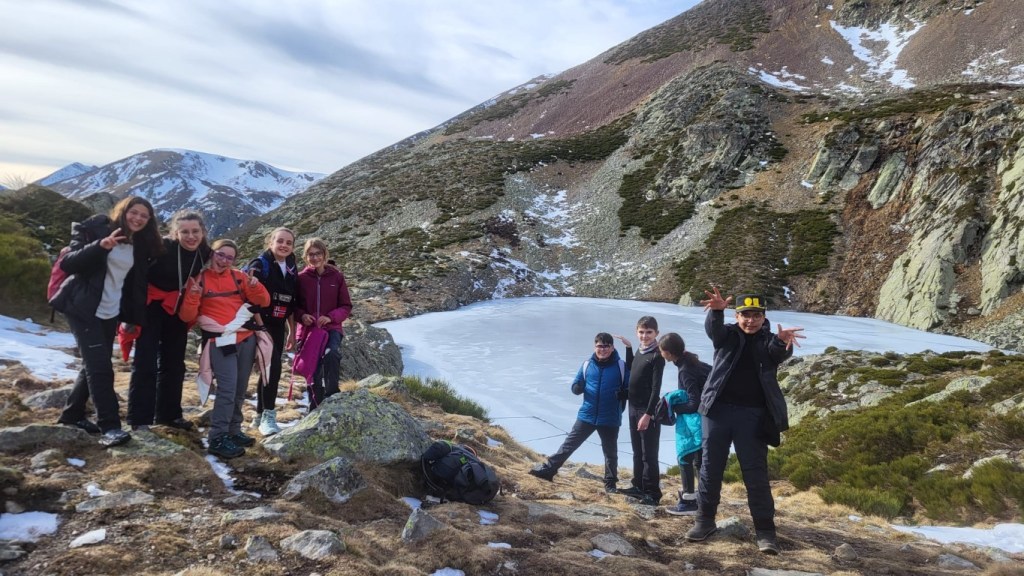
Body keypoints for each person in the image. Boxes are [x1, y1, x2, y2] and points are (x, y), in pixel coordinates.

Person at [686, 289, 804, 555]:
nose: (750, 320)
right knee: (710, 469)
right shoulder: (727, 335)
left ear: (764, 317)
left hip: (753, 417)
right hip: (717, 412)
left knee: (755, 474)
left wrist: (782, 342)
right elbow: (714, 331)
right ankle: (704, 522)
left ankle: (765, 532)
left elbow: (777, 353)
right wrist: (717, 312)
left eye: (756, 315)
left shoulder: (770, 340)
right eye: (745, 315)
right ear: (737, 316)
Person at [55, 196, 164, 447]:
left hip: (109, 311)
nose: (137, 218)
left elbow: (136, 283)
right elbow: (69, 263)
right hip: (83, 309)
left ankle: (71, 415)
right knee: (101, 368)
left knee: (94, 365)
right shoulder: (97, 228)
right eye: (133, 212)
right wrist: (100, 246)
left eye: (144, 215)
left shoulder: (139, 243)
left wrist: (133, 318)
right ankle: (110, 426)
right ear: (123, 211)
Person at [179, 239, 270, 459]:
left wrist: (255, 286)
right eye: (220, 254)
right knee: (227, 389)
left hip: (246, 339)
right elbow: (187, 316)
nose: (224, 260)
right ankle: (217, 437)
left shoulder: (239, 277)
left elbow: (264, 301)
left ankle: (233, 430)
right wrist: (192, 295)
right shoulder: (199, 280)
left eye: (230, 257)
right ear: (212, 254)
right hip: (220, 342)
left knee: (240, 388)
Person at [126, 210, 210, 431]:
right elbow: (136, 273)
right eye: (184, 232)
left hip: (176, 308)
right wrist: (131, 313)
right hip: (150, 306)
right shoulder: (160, 247)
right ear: (175, 233)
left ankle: (169, 415)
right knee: (145, 362)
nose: (191, 236)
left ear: (203, 232)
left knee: (174, 364)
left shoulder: (204, 252)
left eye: (195, 231)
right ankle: (139, 418)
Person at [528, 332, 629, 492]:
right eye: (599, 346)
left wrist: (625, 394)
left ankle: (610, 484)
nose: (602, 349)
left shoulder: (621, 366)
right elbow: (576, 384)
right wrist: (576, 388)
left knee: (610, 453)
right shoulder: (587, 365)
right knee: (569, 445)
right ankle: (549, 470)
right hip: (587, 415)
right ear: (594, 347)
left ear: (612, 347)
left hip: (610, 417)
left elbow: (630, 388)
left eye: (606, 346)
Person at [245, 227, 298, 436]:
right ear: (271, 243)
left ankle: (258, 417)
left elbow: (290, 303)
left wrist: (292, 331)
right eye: (280, 241)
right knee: (273, 368)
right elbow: (250, 296)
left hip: (278, 326)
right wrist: (260, 327)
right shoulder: (260, 264)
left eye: (289, 242)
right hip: (260, 324)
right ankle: (268, 416)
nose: (284, 245)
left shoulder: (291, 266)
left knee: (268, 370)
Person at [294, 238, 352, 410]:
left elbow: (346, 306)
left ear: (325, 254)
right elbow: (294, 306)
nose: (315, 258)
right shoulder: (300, 278)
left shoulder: (337, 277)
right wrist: (303, 316)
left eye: (318, 253)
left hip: (331, 328)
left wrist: (330, 317)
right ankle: (314, 405)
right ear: (305, 257)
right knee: (312, 366)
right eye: (310, 254)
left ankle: (332, 396)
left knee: (331, 354)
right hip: (308, 330)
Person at [658, 332, 709, 516]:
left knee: (685, 458)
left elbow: (694, 402)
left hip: (696, 419)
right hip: (707, 417)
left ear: (669, 353)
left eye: (661, 350)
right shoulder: (692, 361)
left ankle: (689, 502)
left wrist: (674, 407)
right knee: (699, 460)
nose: (660, 353)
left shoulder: (685, 369)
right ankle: (703, 501)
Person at [619, 316, 665, 506]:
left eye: (649, 332)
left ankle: (653, 493)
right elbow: (633, 367)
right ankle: (638, 486)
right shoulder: (641, 350)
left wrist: (648, 414)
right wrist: (629, 348)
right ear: (636, 332)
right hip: (633, 407)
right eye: (641, 332)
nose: (645, 336)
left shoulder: (657, 356)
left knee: (649, 454)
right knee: (637, 451)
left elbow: (656, 389)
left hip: (647, 411)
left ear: (656, 333)